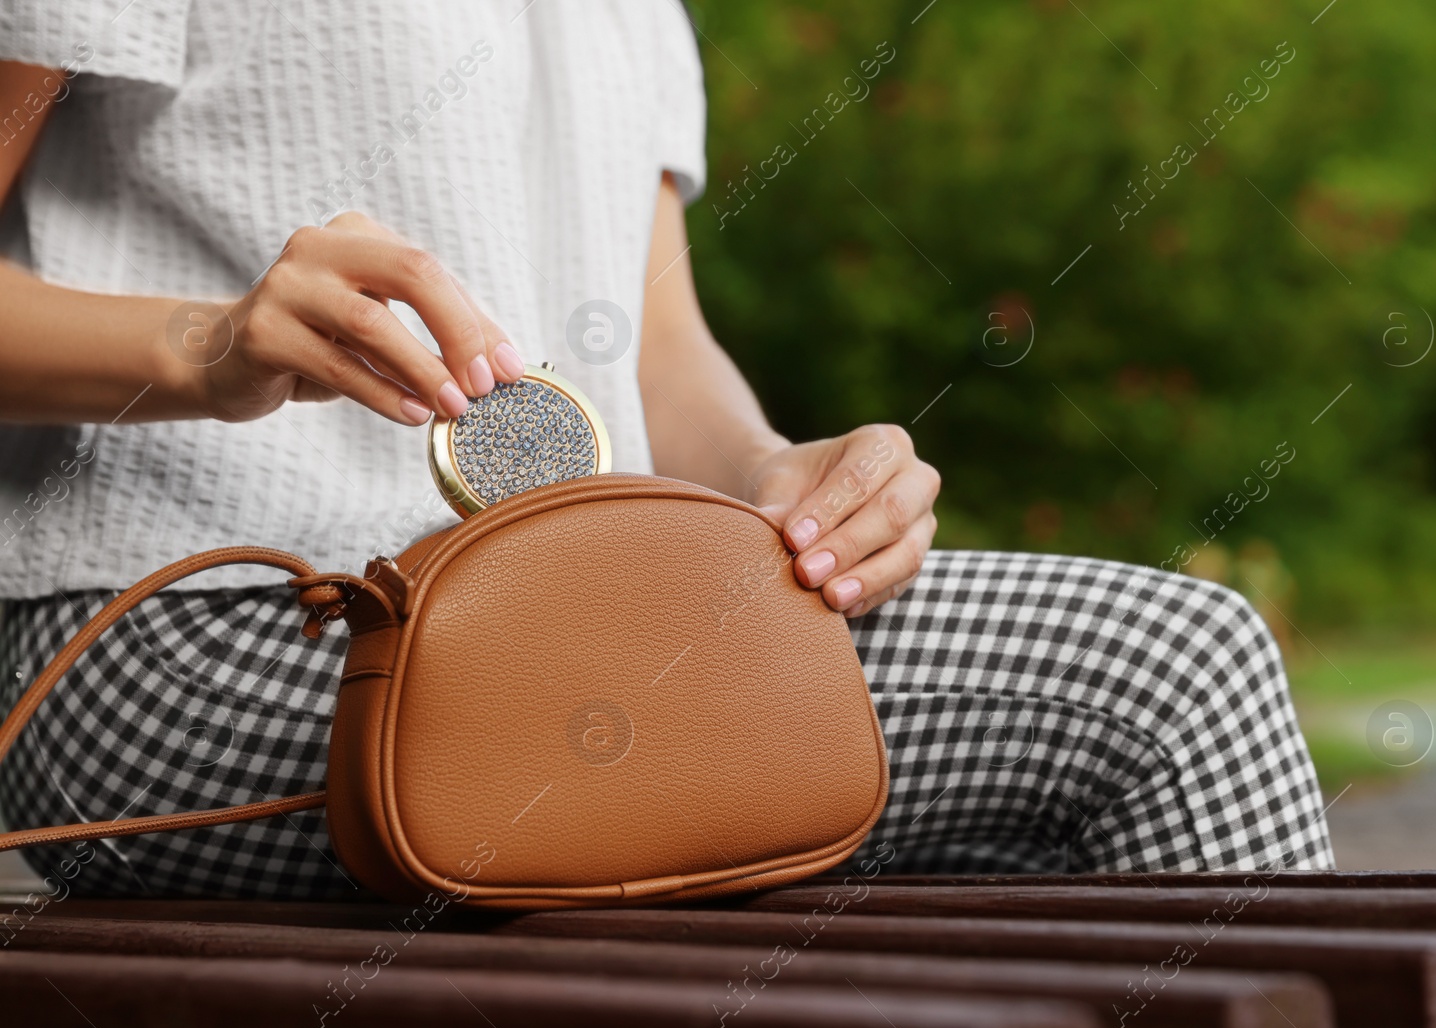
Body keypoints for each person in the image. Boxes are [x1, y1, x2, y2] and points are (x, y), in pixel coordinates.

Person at [0, 1, 1332, 897]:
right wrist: (206, 346)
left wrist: (771, 472)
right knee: (1175, 682)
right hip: (196, 628)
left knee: (1017, 882)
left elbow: (650, 353)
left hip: (586, 620)